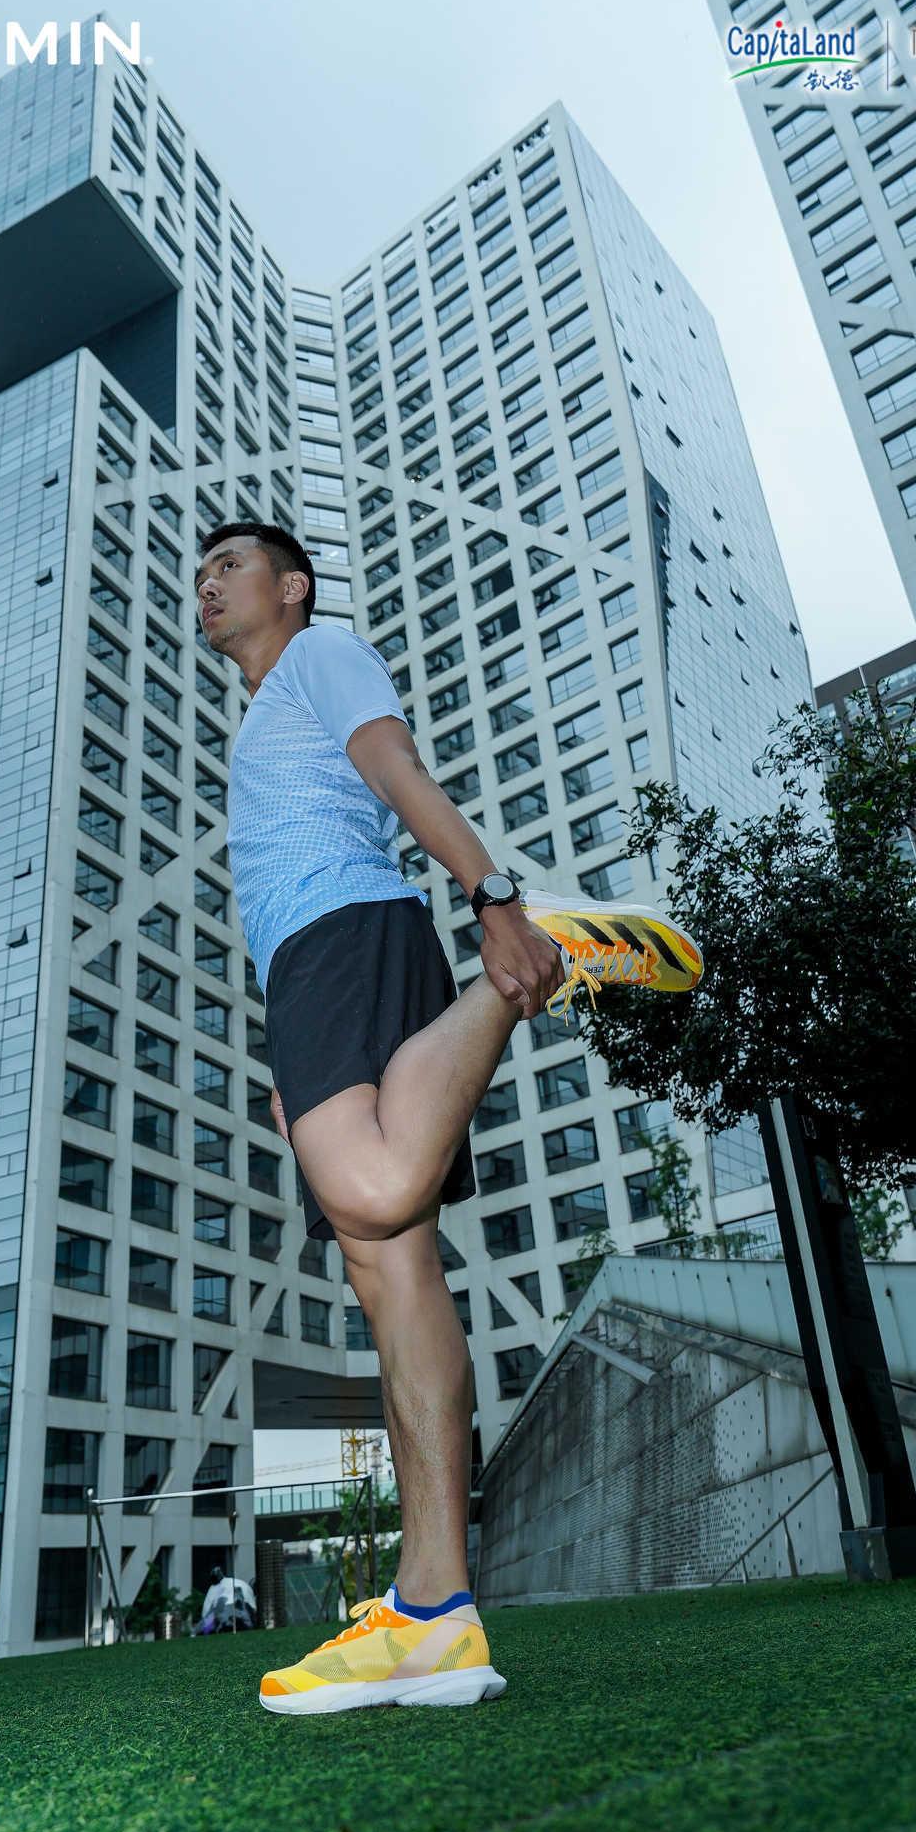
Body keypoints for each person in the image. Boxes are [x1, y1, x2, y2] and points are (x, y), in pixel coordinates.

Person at [197, 524, 701, 1714]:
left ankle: (541, 966)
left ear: (292, 585)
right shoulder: (262, 717)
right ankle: (433, 1614)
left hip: (348, 943)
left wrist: (495, 903)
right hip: (319, 976)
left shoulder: (320, 658)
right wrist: (295, 1051)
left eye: (232, 564)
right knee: (393, 1277)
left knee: (370, 1195)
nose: (210, 585)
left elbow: (396, 772)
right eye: (202, 574)